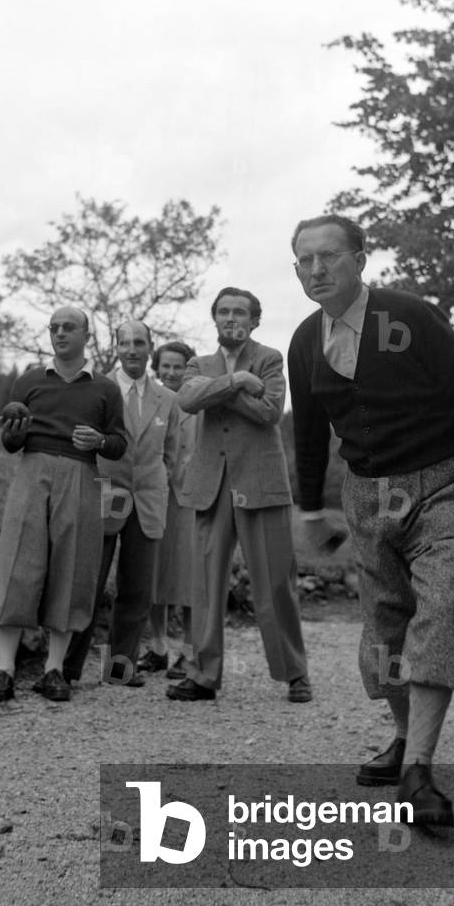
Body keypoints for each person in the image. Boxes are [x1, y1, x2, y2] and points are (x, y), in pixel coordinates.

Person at [288, 215, 454, 826]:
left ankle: (419, 771)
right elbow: (310, 433)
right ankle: (403, 740)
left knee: (442, 604)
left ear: (360, 260)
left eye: (329, 257)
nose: (316, 270)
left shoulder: (408, 316)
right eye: (304, 261)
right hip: (369, 493)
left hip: (447, 480)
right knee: (386, 623)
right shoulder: (303, 342)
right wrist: (312, 508)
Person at [166, 287, 312, 704]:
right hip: (211, 486)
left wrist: (221, 392)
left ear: (254, 321)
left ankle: (295, 673)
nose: (231, 318)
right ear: (214, 319)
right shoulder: (199, 362)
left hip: (261, 483)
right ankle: (203, 676)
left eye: (240, 313)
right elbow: (187, 399)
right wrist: (235, 382)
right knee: (205, 587)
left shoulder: (269, 358)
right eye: (224, 312)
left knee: (273, 585)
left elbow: (270, 411)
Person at [0, 306, 126, 705]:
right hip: (32, 472)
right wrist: (15, 432)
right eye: (54, 328)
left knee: (72, 567)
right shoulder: (28, 382)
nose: (60, 333)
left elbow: (119, 442)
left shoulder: (104, 389)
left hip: (81, 474)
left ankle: (54, 670)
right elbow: (11, 444)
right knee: (17, 564)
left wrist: (98, 441)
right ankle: (4, 671)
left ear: (87, 335)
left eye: (69, 327)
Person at [63, 320, 178, 688]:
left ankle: (118, 669)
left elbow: (171, 454)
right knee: (89, 584)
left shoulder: (168, 399)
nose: (132, 349)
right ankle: (67, 669)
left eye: (139, 342)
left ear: (150, 347)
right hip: (103, 496)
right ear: (116, 347)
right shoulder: (96, 387)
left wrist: (157, 483)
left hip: (148, 501)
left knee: (137, 589)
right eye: (125, 342)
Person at [137, 340, 199, 679]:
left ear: (188, 369)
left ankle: (190, 651)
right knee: (154, 575)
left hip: (189, 500)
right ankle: (158, 647)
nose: (171, 372)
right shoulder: (150, 402)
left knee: (188, 578)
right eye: (166, 366)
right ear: (156, 369)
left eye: (178, 366)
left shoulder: (199, 405)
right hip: (154, 496)